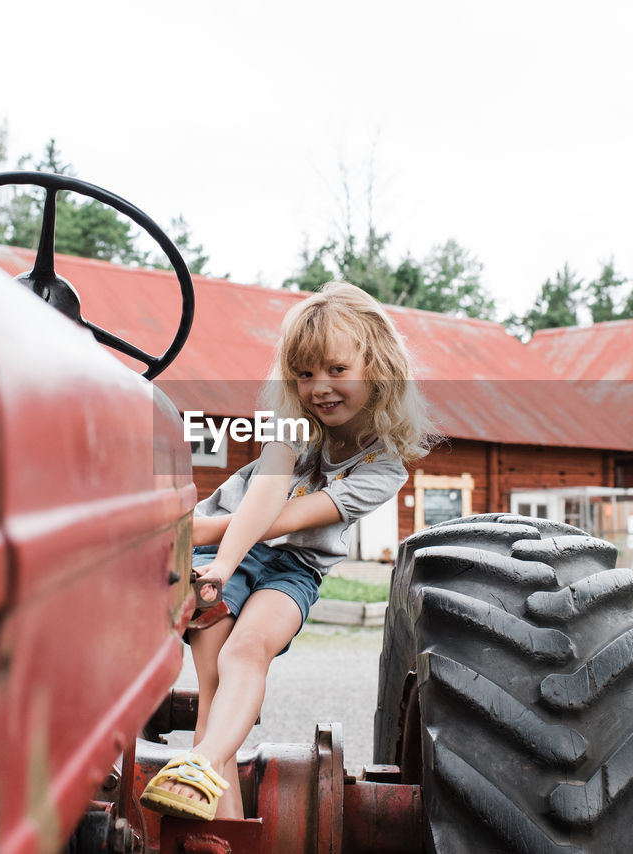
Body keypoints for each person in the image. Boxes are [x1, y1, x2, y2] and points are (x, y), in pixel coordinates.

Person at [139, 281, 432, 822]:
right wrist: (223, 565)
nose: (318, 387)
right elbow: (268, 488)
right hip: (234, 553)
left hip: (291, 566)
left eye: (336, 370)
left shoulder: (385, 467)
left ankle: (201, 761)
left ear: (380, 366)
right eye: (304, 373)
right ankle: (213, 809)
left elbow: (292, 517)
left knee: (246, 653)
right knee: (212, 688)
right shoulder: (293, 422)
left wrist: (192, 533)